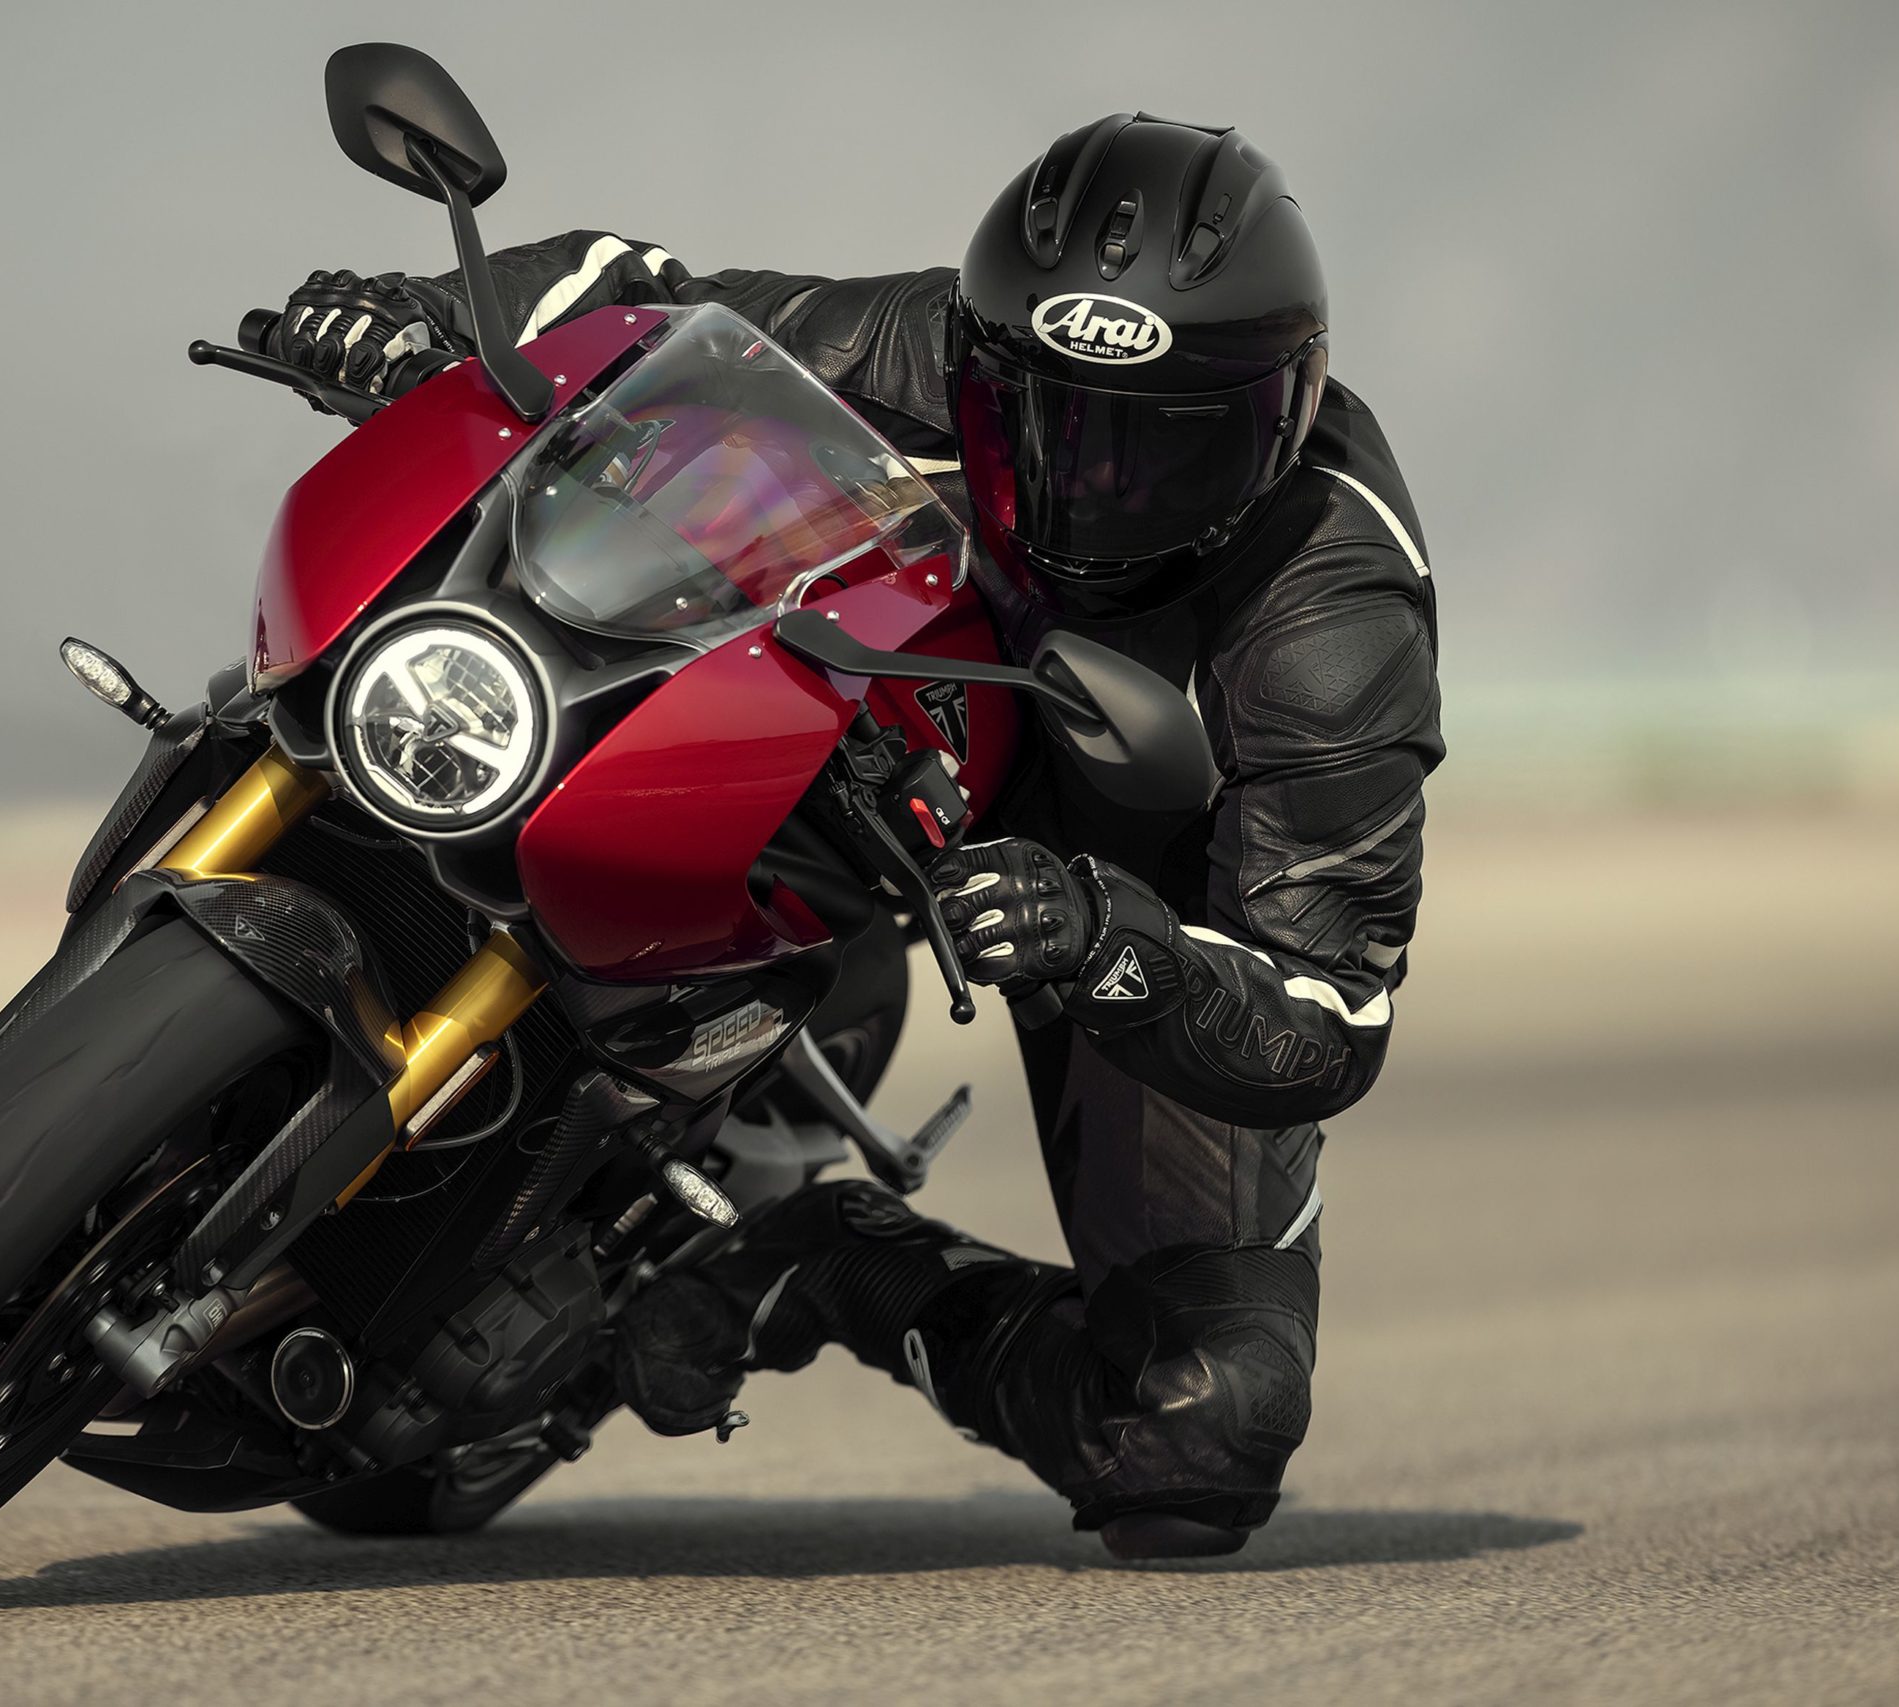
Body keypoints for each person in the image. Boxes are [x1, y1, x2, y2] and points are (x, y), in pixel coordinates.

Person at [264, 114, 1443, 1559]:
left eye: (1169, 446)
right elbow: (639, 303)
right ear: (982, 347)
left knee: (1198, 1422)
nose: (1098, 483)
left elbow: (1329, 1013)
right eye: (1051, 418)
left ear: (1286, 408)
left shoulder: (1338, 606)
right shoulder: (924, 345)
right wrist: (419, 321)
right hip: (875, 700)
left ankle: (830, 1261)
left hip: (1129, 875)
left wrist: (1114, 945)